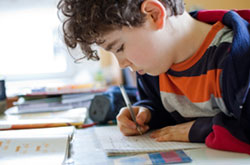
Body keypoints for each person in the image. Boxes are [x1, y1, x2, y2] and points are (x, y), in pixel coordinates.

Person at [57, 0, 250, 154]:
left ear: (153, 14)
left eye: (120, 48)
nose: (122, 64)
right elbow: (169, 114)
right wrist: (147, 113)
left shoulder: (238, 57)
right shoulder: (155, 68)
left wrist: (200, 130)